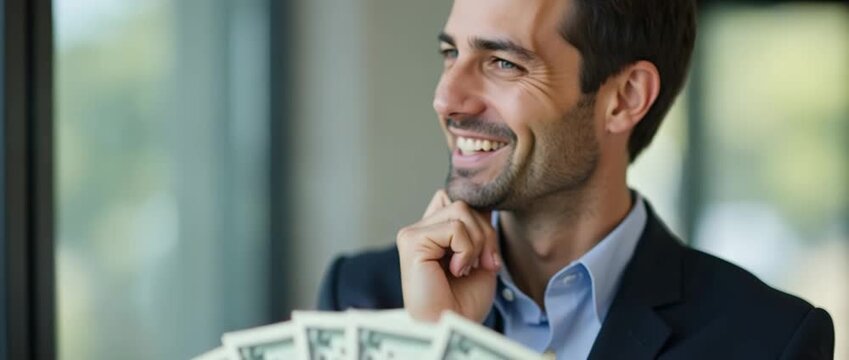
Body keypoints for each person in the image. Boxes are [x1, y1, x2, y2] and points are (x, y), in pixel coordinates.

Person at [317, 0, 835, 358]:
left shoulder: (766, 342)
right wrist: (436, 347)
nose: (446, 99)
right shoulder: (364, 296)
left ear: (625, 97)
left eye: (501, 62)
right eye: (451, 53)